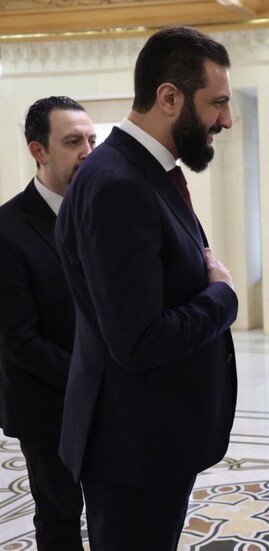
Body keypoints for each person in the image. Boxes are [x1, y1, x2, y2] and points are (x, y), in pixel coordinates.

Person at [54, 26, 238, 550]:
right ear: (169, 98)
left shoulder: (139, 172)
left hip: (147, 441)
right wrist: (221, 298)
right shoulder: (119, 185)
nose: (226, 119)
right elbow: (138, 340)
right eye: (217, 102)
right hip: (134, 450)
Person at [0, 96, 95, 550]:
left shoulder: (103, 212)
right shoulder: (7, 229)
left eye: (92, 140)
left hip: (110, 400)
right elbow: (18, 341)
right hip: (47, 404)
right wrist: (90, 380)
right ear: (39, 151)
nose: (88, 153)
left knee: (116, 509)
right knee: (59, 517)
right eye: (73, 142)